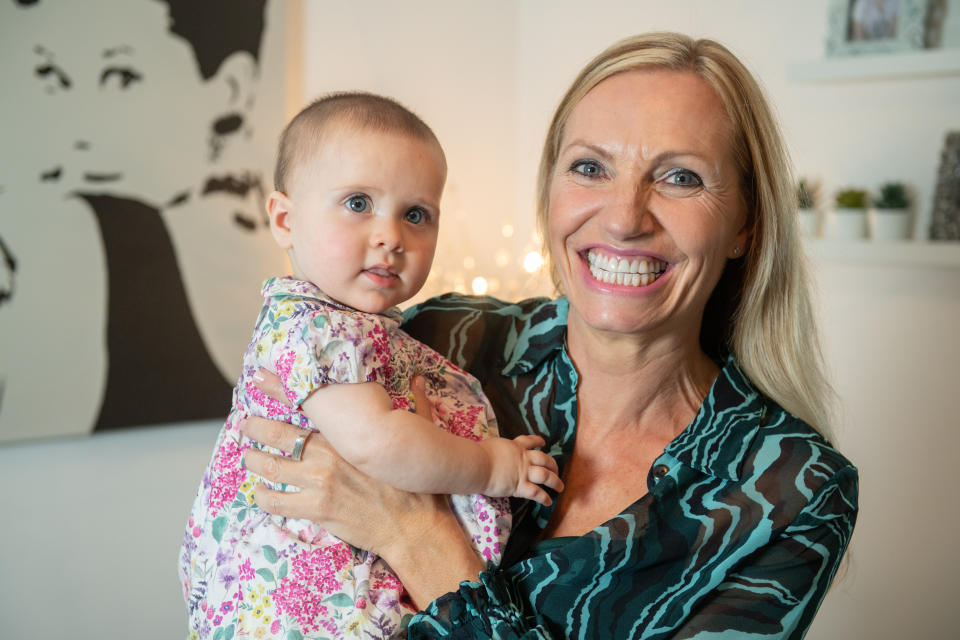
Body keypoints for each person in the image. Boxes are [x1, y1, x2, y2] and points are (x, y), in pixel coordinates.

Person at [241, 33, 859, 639]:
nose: (624, 217)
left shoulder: (790, 491)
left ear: (744, 225)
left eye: (680, 178)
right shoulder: (441, 339)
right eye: (590, 167)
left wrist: (416, 534)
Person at [179, 92, 562, 640]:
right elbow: (378, 444)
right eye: (358, 203)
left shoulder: (355, 325)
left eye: (415, 214)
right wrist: (490, 467)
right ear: (285, 220)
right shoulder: (314, 328)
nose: (391, 236)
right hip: (296, 602)